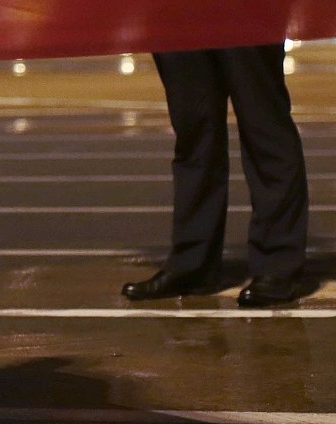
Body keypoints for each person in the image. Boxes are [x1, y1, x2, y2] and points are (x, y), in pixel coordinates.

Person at [121, 45, 308, 306]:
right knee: (194, 135)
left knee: (264, 125)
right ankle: (193, 264)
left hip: (245, 20)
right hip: (179, 22)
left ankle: (278, 266)